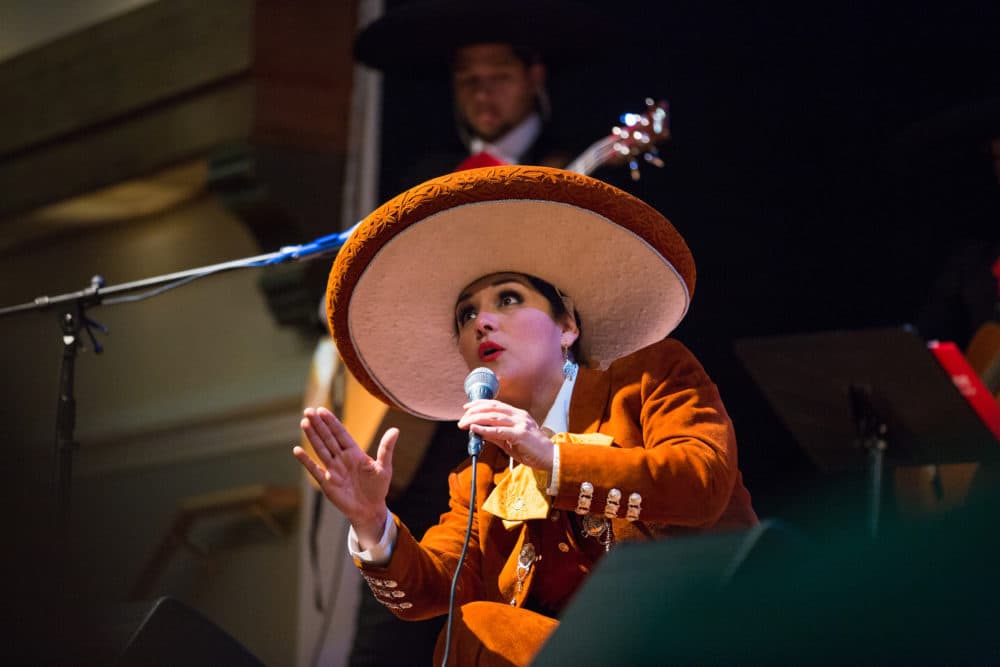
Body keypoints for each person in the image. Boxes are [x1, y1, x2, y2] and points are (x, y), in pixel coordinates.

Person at [293, 164, 758, 666]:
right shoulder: (481, 469)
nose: (482, 322)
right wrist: (371, 522)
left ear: (568, 326)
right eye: (466, 315)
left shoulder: (648, 374)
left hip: (706, 636)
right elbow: (434, 590)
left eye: (508, 299)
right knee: (475, 629)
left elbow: (702, 482)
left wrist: (550, 457)